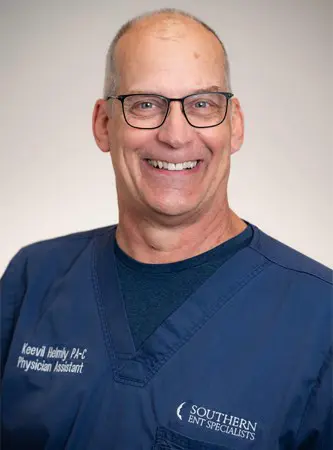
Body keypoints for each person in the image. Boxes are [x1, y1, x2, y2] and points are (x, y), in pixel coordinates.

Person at [1, 8, 332, 450]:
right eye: (145, 104)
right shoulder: (32, 278)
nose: (175, 135)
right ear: (103, 124)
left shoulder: (319, 315)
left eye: (202, 104)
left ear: (234, 124)